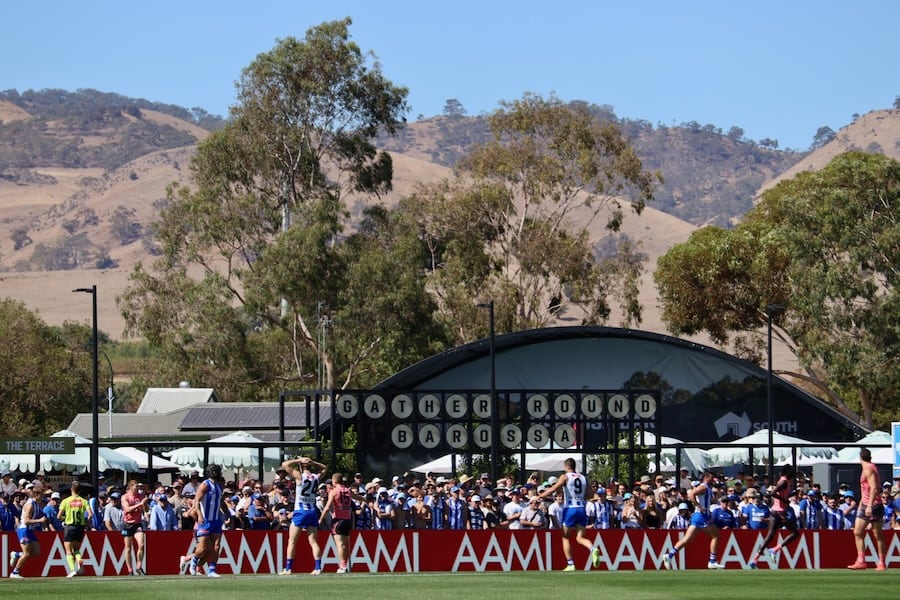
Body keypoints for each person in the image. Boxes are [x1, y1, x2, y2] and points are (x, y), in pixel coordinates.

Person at [538, 457, 600, 571]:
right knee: (580, 537)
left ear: (566, 466)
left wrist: (540, 496)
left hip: (570, 509)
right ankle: (592, 549)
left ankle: (571, 564)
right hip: (582, 509)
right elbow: (590, 495)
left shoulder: (565, 476)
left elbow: (555, 488)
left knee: (565, 537)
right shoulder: (583, 478)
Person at [661, 470, 725, 569]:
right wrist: (699, 506)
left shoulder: (707, 487)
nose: (713, 480)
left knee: (687, 539)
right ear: (707, 477)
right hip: (702, 515)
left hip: (699, 515)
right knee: (715, 536)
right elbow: (691, 494)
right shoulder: (703, 486)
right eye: (712, 477)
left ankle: (669, 555)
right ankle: (712, 561)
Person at [280, 456, 327, 575]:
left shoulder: (300, 476)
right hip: (312, 511)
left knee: (292, 541)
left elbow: (285, 464)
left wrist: (298, 461)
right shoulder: (316, 477)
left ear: (301, 466)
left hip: (300, 511)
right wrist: (313, 462)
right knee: (314, 541)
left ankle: (288, 568)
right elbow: (325, 468)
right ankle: (318, 567)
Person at [753, 464, 800, 569]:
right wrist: (784, 500)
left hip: (775, 511)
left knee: (770, 536)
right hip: (780, 512)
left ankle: (755, 559)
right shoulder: (784, 482)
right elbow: (773, 493)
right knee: (795, 533)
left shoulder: (783, 481)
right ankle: (775, 549)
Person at [848, 447, 887, 570]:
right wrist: (861, 504)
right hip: (865, 504)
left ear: (860, 458)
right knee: (858, 532)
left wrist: (869, 505)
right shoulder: (866, 468)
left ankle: (881, 562)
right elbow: (865, 489)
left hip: (873, 504)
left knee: (877, 534)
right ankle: (861, 560)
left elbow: (874, 488)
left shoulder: (869, 468)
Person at [319, 472, 365, 573]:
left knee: (339, 544)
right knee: (344, 544)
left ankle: (343, 566)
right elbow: (358, 497)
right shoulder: (347, 490)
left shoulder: (334, 491)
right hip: (348, 519)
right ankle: (345, 564)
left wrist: (320, 519)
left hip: (338, 519)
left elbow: (327, 508)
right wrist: (365, 500)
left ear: (334, 481)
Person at [9, 482, 47, 578]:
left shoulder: (36, 504)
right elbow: (26, 521)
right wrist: (40, 520)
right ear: (37, 495)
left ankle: (17, 554)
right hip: (24, 530)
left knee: (37, 552)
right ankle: (15, 572)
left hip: (30, 531)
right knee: (26, 553)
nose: (43, 498)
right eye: (42, 495)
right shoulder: (29, 505)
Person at [58, 481, 93, 577]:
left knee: (68, 551)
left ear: (71, 489)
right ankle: (79, 559)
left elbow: (58, 516)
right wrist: (85, 522)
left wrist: (66, 518)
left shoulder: (65, 501)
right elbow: (90, 515)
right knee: (76, 549)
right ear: (80, 490)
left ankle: (72, 570)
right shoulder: (84, 501)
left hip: (70, 526)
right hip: (80, 527)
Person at [120, 481, 149, 576]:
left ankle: (139, 566)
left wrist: (145, 504)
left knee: (141, 544)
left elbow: (146, 509)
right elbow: (127, 509)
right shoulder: (125, 497)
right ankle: (130, 569)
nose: (138, 488)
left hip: (137, 523)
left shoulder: (140, 497)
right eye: (136, 487)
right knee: (128, 548)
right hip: (127, 524)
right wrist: (140, 504)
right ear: (131, 487)